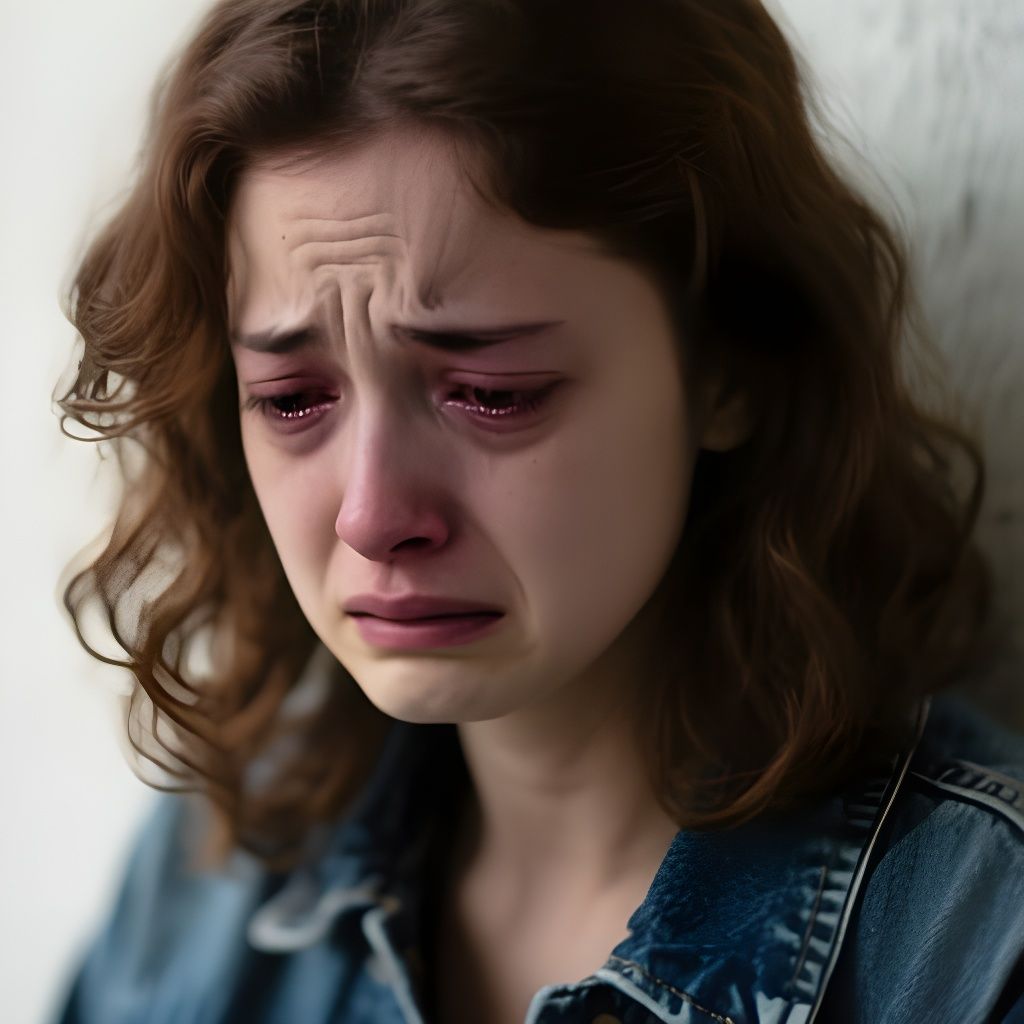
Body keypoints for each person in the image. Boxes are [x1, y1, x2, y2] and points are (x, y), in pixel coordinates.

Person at [51, 1, 1024, 1022]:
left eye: (492, 393)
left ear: (732, 367)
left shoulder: (976, 948)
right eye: (293, 400)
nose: (374, 516)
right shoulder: (213, 868)